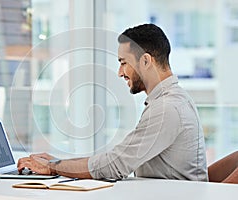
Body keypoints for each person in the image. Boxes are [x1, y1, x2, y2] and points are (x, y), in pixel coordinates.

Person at [18, 24, 208, 181]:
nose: (120, 72)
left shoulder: (168, 108)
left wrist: (53, 167)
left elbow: (115, 166)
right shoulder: (170, 101)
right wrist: (59, 164)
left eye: (123, 62)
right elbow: (116, 160)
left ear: (145, 61)